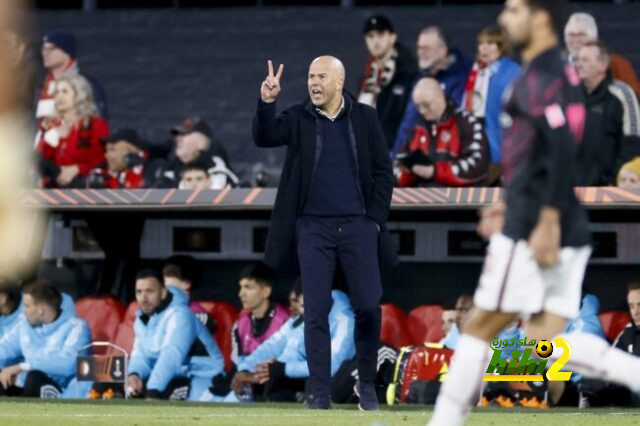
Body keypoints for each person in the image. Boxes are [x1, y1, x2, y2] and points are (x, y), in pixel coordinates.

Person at [428, 1, 640, 424]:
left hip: (537, 226)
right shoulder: (540, 76)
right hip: (550, 221)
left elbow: (563, 151)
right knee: (547, 338)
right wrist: (507, 201)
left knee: (479, 328)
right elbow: (534, 154)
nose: (504, 18)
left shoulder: (549, 77)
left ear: (540, 18)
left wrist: (544, 221)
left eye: (514, 10)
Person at [253, 54, 394, 410]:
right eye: (311, 77)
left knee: (367, 307)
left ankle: (366, 384)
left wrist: (373, 221)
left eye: (321, 78)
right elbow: (265, 136)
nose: (314, 83)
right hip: (313, 227)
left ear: (338, 82)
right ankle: (319, 393)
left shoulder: (365, 117)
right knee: (316, 309)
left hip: (357, 227)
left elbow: (383, 173)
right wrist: (267, 102)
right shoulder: (298, 117)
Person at [391, 27, 473, 159]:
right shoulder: (420, 78)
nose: (421, 53)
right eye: (419, 48)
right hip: (419, 159)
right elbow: (408, 122)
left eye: (426, 48)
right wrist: (395, 158)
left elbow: (458, 123)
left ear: (443, 50)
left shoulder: (465, 76)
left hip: (449, 159)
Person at [0, 280, 90, 398]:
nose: (23, 310)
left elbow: (69, 364)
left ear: (41, 309)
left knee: (34, 377)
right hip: (27, 387)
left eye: (27, 306)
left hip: (62, 392)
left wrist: (23, 367)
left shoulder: (76, 328)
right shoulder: (25, 326)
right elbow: (5, 348)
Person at [395, 78, 490, 187]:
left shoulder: (467, 123)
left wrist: (435, 171)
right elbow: (397, 167)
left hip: (459, 201)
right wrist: (408, 172)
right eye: (418, 106)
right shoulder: (417, 129)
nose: (422, 111)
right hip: (422, 200)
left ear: (440, 97)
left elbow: (478, 165)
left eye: (426, 105)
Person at [126, 269, 197, 400]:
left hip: (185, 377)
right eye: (139, 292)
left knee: (156, 398)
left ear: (163, 293)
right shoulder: (142, 319)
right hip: (157, 379)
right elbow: (140, 356)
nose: (143, 298)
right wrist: (134, 375)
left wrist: (153, 388)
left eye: (149, 291)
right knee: (106, 388)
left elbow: (171, 356)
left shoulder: (180, 314)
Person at [461, 26, 521, 182]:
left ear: (502, 47)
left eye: (491, 43)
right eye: (481, 43)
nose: (484, 48)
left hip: (503, 151)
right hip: (479, 150)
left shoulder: (511, 72)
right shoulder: (476, 73)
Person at [575, 41, 636, 186]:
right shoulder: (570, 96)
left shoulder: (622, 94)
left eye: (585, 60)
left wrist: (614, 180)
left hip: (609, 192)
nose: (579, 64)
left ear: (603, 65)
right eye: (578, 59)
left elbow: (632, 142)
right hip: (573, 192)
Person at [35, 74, 109, 188]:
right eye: (57, 92)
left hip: (85, 189)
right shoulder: (51, 125)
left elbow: (102, 159)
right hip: (54, 188)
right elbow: (40, 160)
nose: (59, 97)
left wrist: (76, 169)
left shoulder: (96, 125)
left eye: (65, 92)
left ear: (79, 95)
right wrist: (53, 137)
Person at [358, 15, 418, 150]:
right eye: (370, 36)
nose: (375, 41)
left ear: (392, 37)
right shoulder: (367, 77)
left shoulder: (407, 72)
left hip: (397, 152)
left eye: (380, 34)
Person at [36, 30, 107, 123]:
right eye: (44, 49)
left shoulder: (87, 84)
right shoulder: (41, 85)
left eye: (51, 48)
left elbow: (99, 121)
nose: (45, 53)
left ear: (67, 53)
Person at [564, 12, 640, 99]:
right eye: (571, 35)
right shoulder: (556, 64)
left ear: (594, 38)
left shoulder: (617, 64)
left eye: (581, 34)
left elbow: (634, 96)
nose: (576, 40)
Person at [231, 263, 289, 367]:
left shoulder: (286, 321)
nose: (241, 294)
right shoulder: (240, 324)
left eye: (248, 288)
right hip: (246, 379)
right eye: (241, 287)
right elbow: (236, 364)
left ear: (266, 292)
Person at [156, 117, 238, 189]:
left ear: (203, 141)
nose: (178, 139)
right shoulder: (170, 168)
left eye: (185, 134)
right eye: (177, 135)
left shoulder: (218, 169)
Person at [87, 129, 159, 189]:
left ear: (130, 153)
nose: (106, 155)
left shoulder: (154, 170)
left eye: (112, 150)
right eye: (106, 151)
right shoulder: (102, 173)